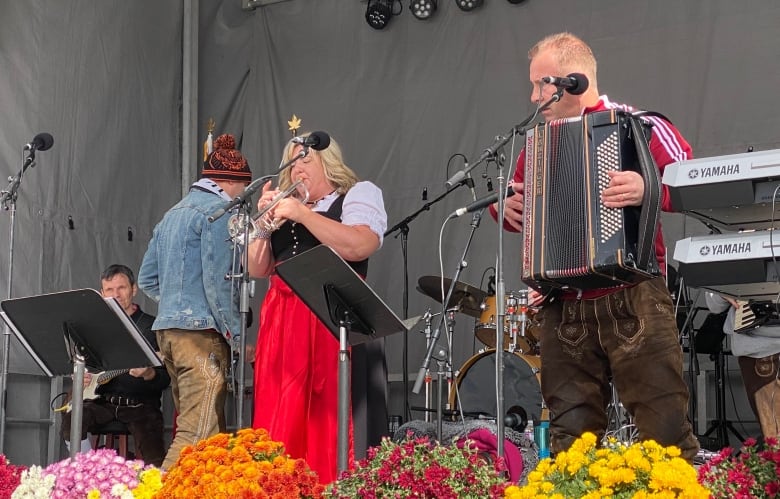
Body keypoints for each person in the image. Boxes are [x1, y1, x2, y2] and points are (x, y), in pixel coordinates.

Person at [490, 32, 699, 460]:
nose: (533, 97)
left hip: (633, 296)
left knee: (665, 434)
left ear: (573, 80)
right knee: (571, 439)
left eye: (540, 84)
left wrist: (647, 187)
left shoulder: (641, 124)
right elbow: (519, 208)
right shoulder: (538, 144)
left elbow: (696, 185)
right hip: (563, 301)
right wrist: (505, 210)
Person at [247, 132, 387, 483]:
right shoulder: (284, 204)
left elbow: (360, 245)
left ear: (328, 162)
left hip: (331, 317)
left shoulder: (357, 195)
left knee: (327, 412)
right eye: (292, 164)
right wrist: (264, 226)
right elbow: (256, 268)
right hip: (282, 320)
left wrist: (303, 215)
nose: (298, 171)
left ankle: (329, 482)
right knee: (281, 413)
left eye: (305, 160)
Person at [138, 133, 249, 469]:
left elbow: (146, 279)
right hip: (200, 336)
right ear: (231, 181)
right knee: (195, 435)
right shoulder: (218, 212)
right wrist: (238, 336)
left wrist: (175, 302)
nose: (244, 195)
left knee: (209, 439)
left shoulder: (171, 214)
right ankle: (156, 493)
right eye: (242, 187)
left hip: (169, 333)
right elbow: (217, 282)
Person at [61, 264, 170, 467]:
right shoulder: (95, 329)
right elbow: (87, 364)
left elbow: (165, 379)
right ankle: (87, 473)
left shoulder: (153, 327)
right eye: (109, 290)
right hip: (102, 402)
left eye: (121, 288)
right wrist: (82, 377)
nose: (116, 294)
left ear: (134, 289)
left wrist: (149, 374)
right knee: (72, 421)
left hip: (141, 406)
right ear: (102, 294)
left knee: (154, 457)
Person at [705, 292, 780, 439]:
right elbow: (715, 304)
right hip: (760, 350)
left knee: (774, 440)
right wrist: (723, 291)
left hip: (758, 347)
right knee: (775, 439)